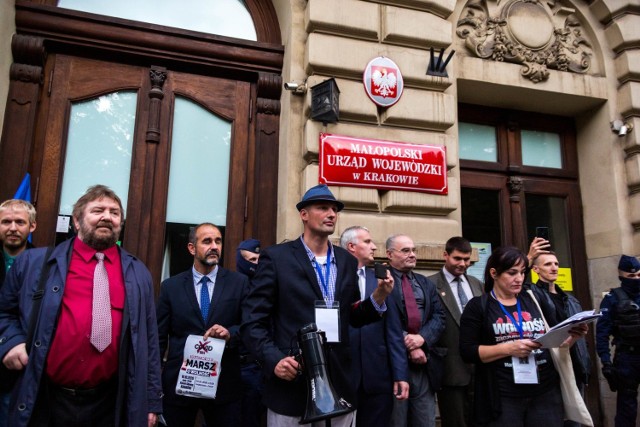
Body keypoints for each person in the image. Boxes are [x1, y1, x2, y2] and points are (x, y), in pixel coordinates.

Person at [0, 185, 161, 427]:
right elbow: (4, 312)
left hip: (109, 403)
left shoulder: (138, 273)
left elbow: (149, 342)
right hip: (46, 398)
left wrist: (151, 402)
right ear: (76, 220)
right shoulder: (34, 263)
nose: (107, 216)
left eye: (114, 213)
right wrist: (10, 342)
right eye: (98, 210)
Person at [241, 184, 394, 427]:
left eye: (334, 209)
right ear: (304, 214)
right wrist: (274, 360)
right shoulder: (277, 258)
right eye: (323, 208)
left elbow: (351, 316)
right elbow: (253, 321)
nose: (331, 214)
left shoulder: (346, 261)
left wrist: (379, 296)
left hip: (339, 383)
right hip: (293, 380)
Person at [459, 246, 587, 426]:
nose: (519, 279)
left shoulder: (535, 298)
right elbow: (467, 351)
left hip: (545, 391)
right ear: (494, 273)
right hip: (503, 394)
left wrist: (573, 336)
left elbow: (554, 340)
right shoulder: (478, 306)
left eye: (521, 272)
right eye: (512, 273)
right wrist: (509, 348)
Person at [157, 223, 247, 426]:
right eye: (207, 241)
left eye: (218, 241)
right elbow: (159, 337)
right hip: (180, 385)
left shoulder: (238, 283)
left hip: (224, 387)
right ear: (191, 248)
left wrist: (230, 334)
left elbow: (250, 327)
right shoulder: (171, 287)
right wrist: (153, 384)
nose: (214, 246)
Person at [340, 226, 409, 427]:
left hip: (378, 377)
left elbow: (394, 330)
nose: (374, 247)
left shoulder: (383, 280)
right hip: (343, 375)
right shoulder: (335, 278)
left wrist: (400, 375)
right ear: (352, 247)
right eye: (368, 242)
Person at [386, 234, 446, 427]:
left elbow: (439, 316)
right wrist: (409, 344)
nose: (412, 255)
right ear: (389, 254)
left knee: (426, 421)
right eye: (405, 251)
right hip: (392, 365)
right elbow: (381, 319)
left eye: (413, 250)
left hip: (423, 366)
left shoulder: (425, 282)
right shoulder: (380, 281)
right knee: (396, 421)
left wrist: (422, 339)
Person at [529, 250, 591, 427]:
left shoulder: (570, 299)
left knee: (575, 421)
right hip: (549, 366)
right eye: (548, 264)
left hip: (574, 364)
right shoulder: (531, 296)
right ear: (535, 270)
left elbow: (580, 338)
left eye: (556, 264)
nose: (554, 268)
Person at [427, 236, 483, 427]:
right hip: (450, 368)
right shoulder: (430, 284)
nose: (462, 264)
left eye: (466, 260)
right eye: (457, 259)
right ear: (445, 255)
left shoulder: (476, 284)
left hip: (479, 366)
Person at [0, 199, 36, 427]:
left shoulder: (45, 263)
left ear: (32, 226)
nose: (13, 227)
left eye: (20, 222)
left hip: (18, 369)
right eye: (6, 222)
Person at [596, 254, 640, 427]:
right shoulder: (612, 299)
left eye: (638, 275)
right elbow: (602, 333)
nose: (636, 279)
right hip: (627, 359)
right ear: (621, 276)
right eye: (631, 276)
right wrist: (606, 361)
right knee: (626, 409)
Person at [235, 238, 265, 427]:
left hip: (257, 368)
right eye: (251, 260)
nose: (255, 265)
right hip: (234, 364)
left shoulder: (265, 288)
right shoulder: (231, 287)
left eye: (258, 260)